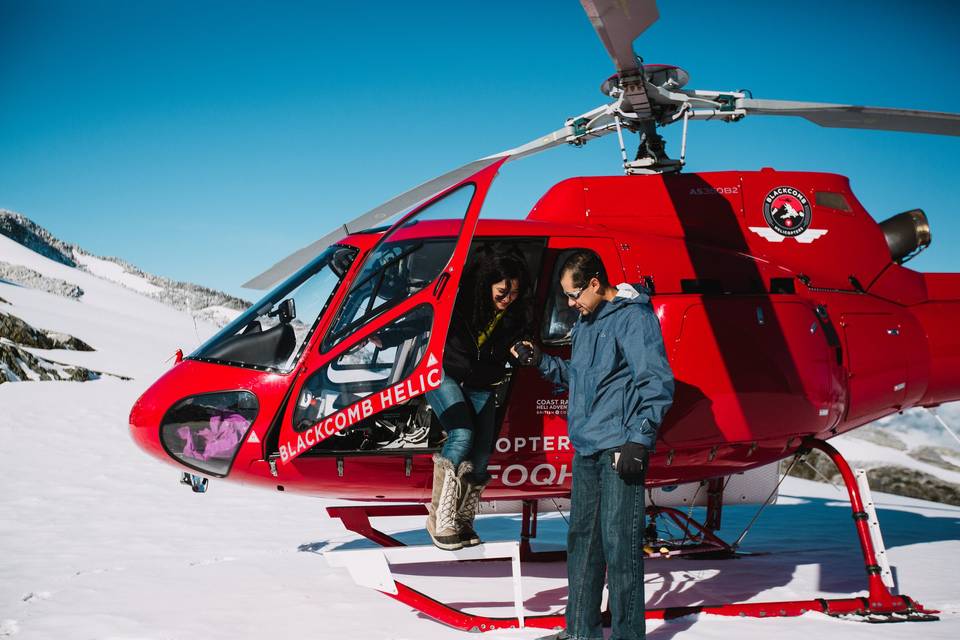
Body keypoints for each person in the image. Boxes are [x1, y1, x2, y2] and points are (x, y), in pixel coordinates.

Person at [513, 251, 674, 640]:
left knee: (620, 547)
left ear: (596, 283)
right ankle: (580, 632)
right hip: (587, 447)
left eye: (575, 294)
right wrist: (542, 361)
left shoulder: (633, 319)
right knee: (583, 543)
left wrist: (640, 440)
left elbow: (657, 383)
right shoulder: (587, 322)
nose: (571, 304)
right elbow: (580, 378)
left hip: (620, 448)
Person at [424, 245, 533, 550]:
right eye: (502, 292)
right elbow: (424, 319)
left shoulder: (514, 315)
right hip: (445, 374)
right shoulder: (461, 303)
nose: (507, 299)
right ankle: (439, 518)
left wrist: (520, 348)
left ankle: (460, 519)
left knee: (482, 454)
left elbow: (518, 339)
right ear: (487, 285)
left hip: (482, 382)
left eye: (513, 293)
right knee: (462, 435)